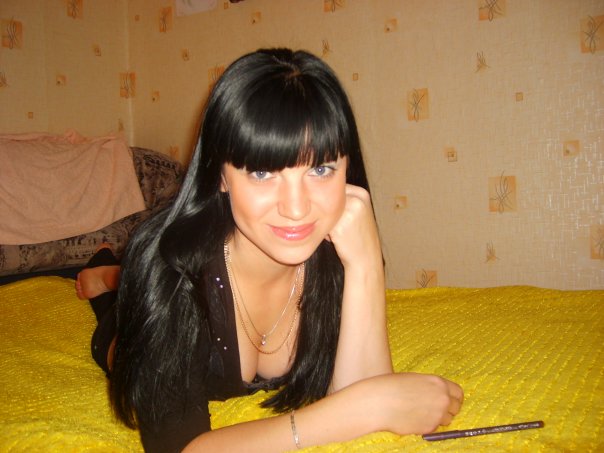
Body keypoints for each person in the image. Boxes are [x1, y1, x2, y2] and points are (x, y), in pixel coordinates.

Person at [77, 48, 463, 452]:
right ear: (220, 175)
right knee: (123, 345)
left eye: (320, 169)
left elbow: (362, 391)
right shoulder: (172, 276)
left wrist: (366, 264)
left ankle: (110, 275)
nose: (296, 209)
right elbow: (181, 449)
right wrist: (367, 408)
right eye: (262, 173)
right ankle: (107, 278)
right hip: (132, 324)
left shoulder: (338, 243)